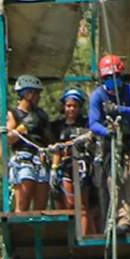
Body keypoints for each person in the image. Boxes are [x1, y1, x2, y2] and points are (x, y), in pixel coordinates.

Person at [88, 55, 130, 233]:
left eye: (114, 77)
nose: (111, 82)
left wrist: (120, 110)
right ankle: (122, 220)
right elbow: (93, 123)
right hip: (110, 142)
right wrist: (107, 131)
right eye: (107, 78)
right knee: (113, 181)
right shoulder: (98, 96)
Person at [50, 87, 98, 236]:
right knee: (68, 203)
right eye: (69, 106)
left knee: (82, 204)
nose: (71, 109)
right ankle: (72, 235)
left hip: (82, 165)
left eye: (75, 106)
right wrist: (54, 168)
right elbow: (53, 147)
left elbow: (92, 139)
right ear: (64, 106)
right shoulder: (57, 126)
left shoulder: (86, 124)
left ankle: (84, 236)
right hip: (64, 165)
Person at [5, 74, 52, 213]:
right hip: (23, 158)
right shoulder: (13, 114)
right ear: (28, 94)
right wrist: (22, 128)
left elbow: (49, 138)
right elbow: (8, 138)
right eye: (37, 93)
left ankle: (37, 232)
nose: (39, 97)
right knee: (23, 202)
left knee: (41, 205)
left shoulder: (41, 115)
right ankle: (20, 230)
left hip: (41, 158)